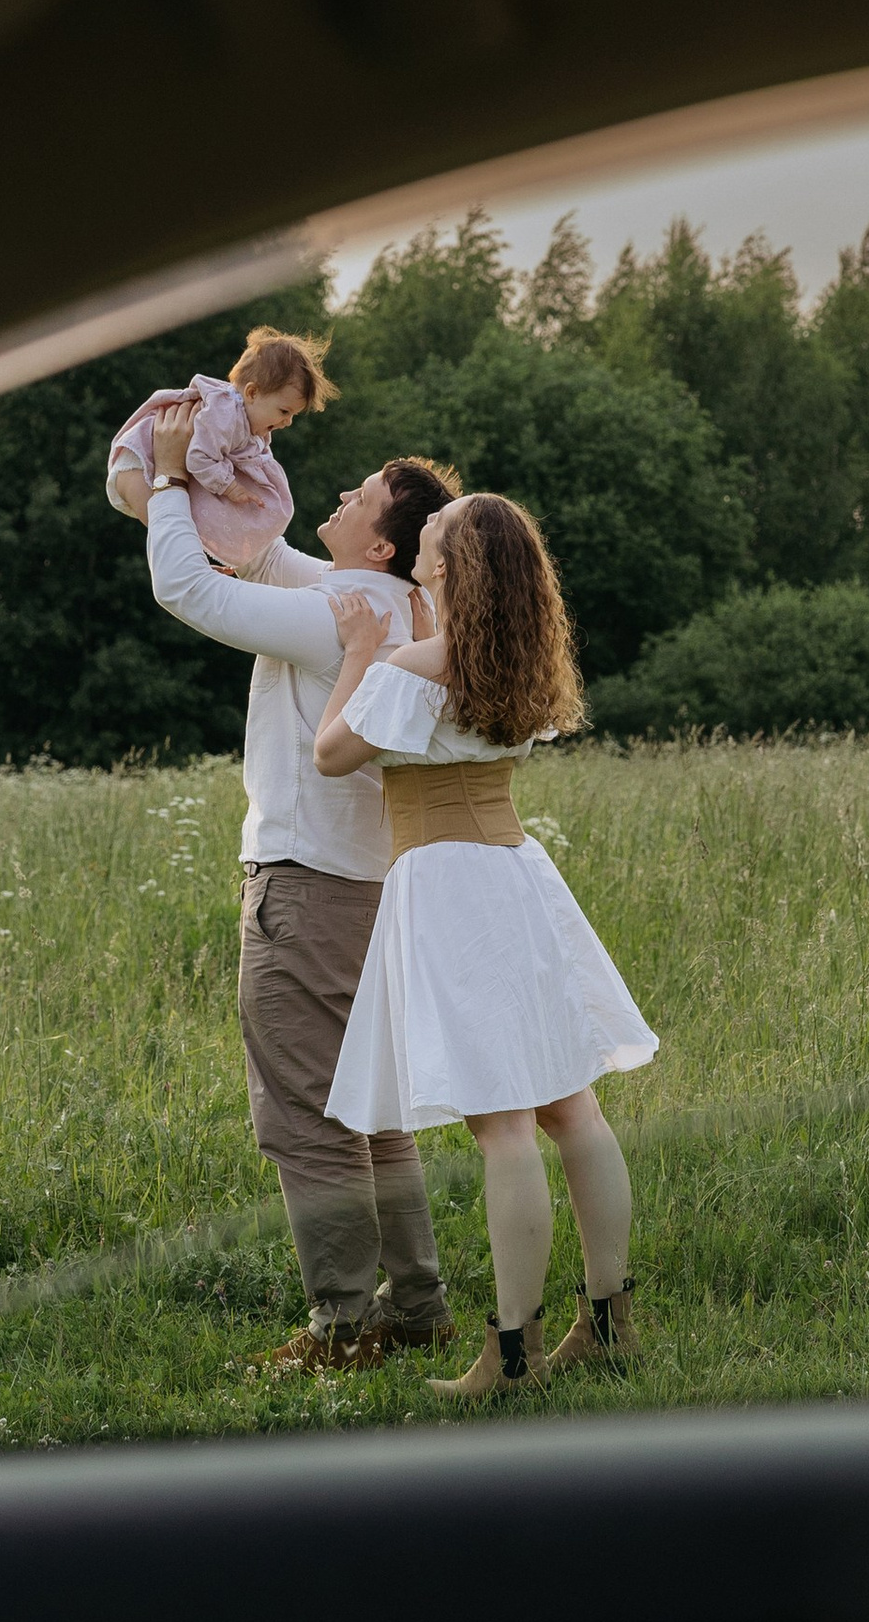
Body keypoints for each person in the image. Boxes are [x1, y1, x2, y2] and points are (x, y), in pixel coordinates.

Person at [134, 399, 460, 1372]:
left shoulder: (339, 616)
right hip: (375, 893)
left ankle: (340, 1328)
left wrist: (159, 476)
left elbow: (189, 592)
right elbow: (265, 560)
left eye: (361, 492)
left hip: (308, 893)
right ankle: (416, 1307)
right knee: (377, 1113)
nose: (344, 491)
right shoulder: (393, 608)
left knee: (308, 1119)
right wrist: (223, 479)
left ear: (385, 538)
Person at [314, 491, 658, 1402]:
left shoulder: (409, 667)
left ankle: (510, 1357)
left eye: (429, 539)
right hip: (514, 871)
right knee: (570, 1106)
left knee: (503, 1124)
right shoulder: (520, 663)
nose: (420, 545)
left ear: (443, 567)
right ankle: (610, 1320)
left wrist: (357, 654)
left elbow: (331, 755)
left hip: (447, 886)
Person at [105, 327, 334, 563]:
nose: (287, 422)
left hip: (157, 460)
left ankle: (196, 561)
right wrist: (230, 487)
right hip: (137, 461)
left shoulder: (248, 422)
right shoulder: (225, 415)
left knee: (175, 527)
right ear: (252, 392)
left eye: (293, 415)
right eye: (284, 411)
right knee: (166, 530)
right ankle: (191, 562)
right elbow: (199, 458)